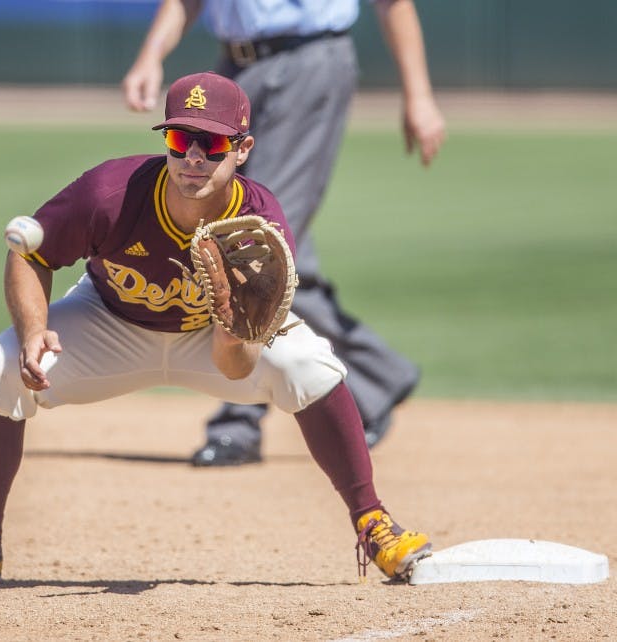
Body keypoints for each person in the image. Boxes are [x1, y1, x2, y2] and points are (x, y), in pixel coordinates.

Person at [0, 71, 431, 591]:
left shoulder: (260, 227)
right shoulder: (109, 194)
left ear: (242, 149)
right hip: (108, 322)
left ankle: (373, 522)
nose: (192, 157)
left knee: (311, 366)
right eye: (179, 139)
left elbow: (239, 367)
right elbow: (29, 253)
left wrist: (232, 333)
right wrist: (33, 330)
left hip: (208, 342)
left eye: (210, 144)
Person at [123, 0, 446, 466]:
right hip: (234, 73)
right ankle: (377, 378)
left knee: (253, 242)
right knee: (286, 257)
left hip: (309, 65)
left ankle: (239, 421)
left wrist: (419, 95)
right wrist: (150, 56)